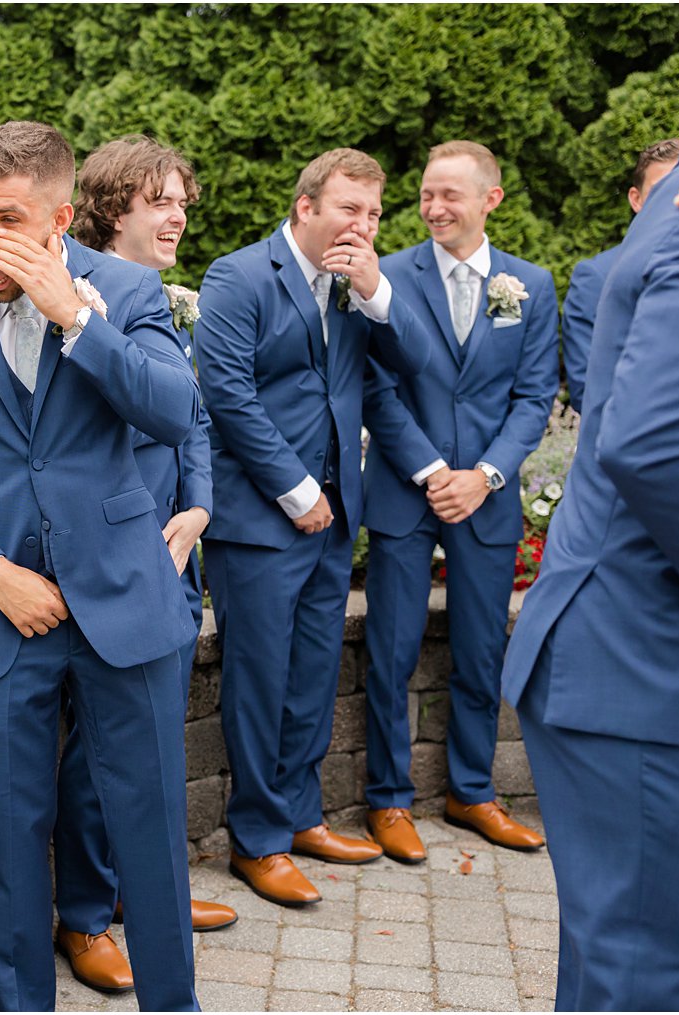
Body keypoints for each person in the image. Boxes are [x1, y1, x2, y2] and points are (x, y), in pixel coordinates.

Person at [0, 120, 201, 1011]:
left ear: (60, 217)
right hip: (0, 614)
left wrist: (76, 319)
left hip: (126, 600)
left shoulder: (127, 290)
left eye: (10, 219)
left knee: (149, 827)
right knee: (18, 837)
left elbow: (175, 411)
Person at [193, 149, 429, 905]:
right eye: (348, 210)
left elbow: (411, 364)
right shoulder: (238, 277)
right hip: (263, 519)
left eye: (372, 214)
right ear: (304, 208)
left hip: (335, 522)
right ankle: (256, 841)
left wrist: (377, 291)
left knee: (312, 678)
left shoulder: (355, 287)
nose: (361, 226)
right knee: (260, 683)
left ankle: (298, 816)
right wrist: (295, 490)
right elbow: (227, 393)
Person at [501, 133, 679, 1011]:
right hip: (644, 656)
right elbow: (660, 447)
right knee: (654, 975)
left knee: (622, 966)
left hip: (630, 656)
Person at [47, 135, 237, 995]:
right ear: (112, 202)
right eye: (161, 200)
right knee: (94, 754)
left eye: (184, 203)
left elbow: (190, 417)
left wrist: (197, 506)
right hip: (99, 556)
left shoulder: (160, 293)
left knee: (155, 747)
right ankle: (85, 916)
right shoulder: (63, 283)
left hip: (170, 544)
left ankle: (147, 896)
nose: (179, 216)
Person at [359, 141, 558, 862]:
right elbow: (375, 385)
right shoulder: (390, 277)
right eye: (426, 195)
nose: (435, 208)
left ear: (490, 200)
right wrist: (434, 469)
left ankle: (473, 792)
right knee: (391, 651)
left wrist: (486, 475)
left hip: (488, 500)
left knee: (481, 653)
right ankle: (387, 799)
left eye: (451, 195)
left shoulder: (530, 285)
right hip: (408, 492)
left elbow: (536, 396)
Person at [561, 138, 679, 413]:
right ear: (636, 199)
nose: (673, 202)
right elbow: (588, 390)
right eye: (660, 192)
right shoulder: (597, 277)